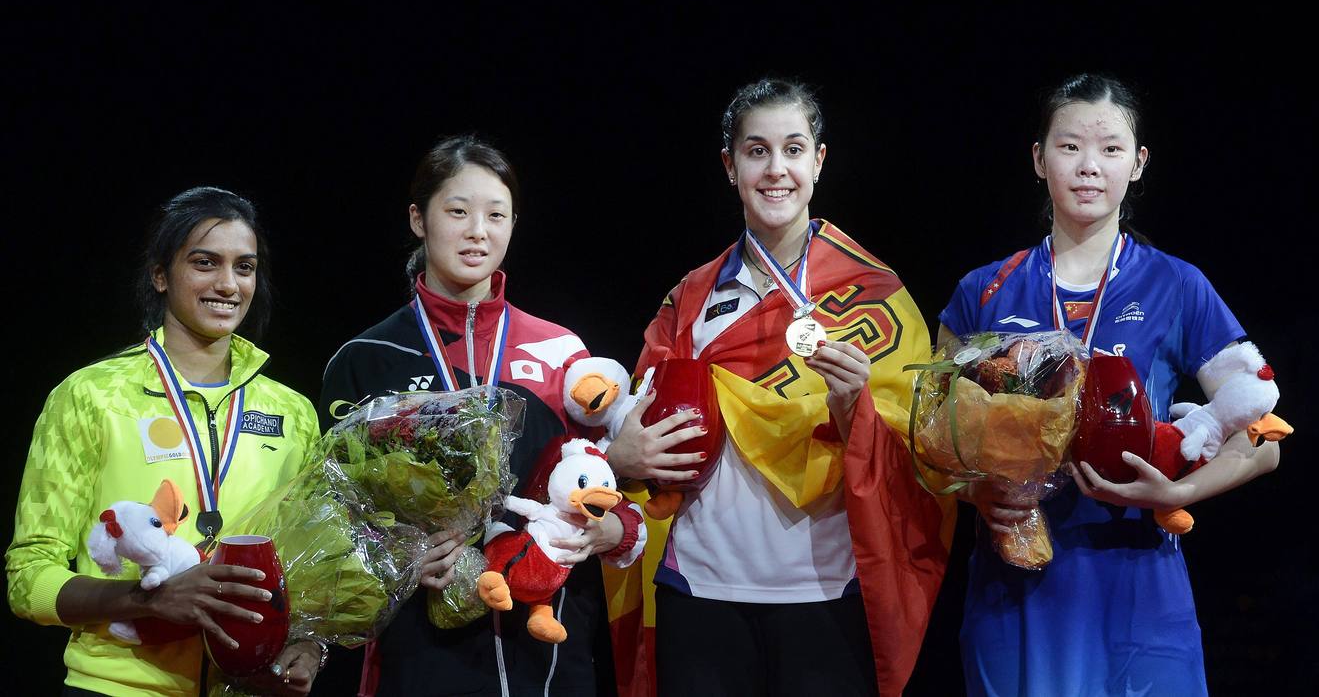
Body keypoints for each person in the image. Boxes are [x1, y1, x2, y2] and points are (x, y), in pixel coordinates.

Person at [604, 79, 955, 697]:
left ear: (819, 161)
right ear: (729, 165)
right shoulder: (691, 297)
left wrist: (856, 412)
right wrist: (620, 459)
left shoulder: (877, 295)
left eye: (793, 149)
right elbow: (641, 422)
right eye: (756, 150)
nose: (776, 170)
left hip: (824, 590)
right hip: (699, 586)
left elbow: (925, 453)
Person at [938, 74, 1282, 696]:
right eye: (1069, 147)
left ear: (1139, 163)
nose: (1089, 167)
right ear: (1039, 159)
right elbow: (931, 440)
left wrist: (1176, 489)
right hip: (1016, 582)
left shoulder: (1176, 285)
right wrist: (978, 496)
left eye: (1110, 149)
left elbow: (1265, 436)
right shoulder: (982, 290)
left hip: (1138, 590)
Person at [317, 135, 645, 697]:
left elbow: (609, 494)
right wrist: (403, 560)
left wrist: (612, 528)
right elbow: (333, 514)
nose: (478, 231)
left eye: (497, 215)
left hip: (548, 642)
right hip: (420, 647)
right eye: (458, 212)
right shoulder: (365, 360)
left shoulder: (564, 352)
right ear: (418, 219)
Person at [6, 187, 323, 697]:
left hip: (248, 686)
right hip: (115, 686)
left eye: (245, 267)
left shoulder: (292, 412)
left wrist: (309, 643)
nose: (228, 284)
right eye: (204, 263)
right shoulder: (91, 396)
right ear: (160, 275)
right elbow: (28, 577)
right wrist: (146, 600)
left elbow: (311, 562)